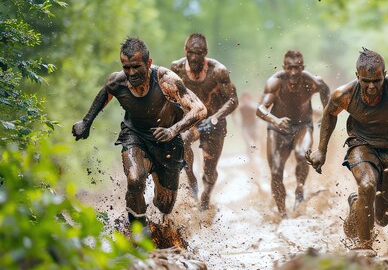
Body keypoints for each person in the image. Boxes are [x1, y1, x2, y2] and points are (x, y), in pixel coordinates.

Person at [306, 48, 388, 251]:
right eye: (365, 81)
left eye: (376, 81)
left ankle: (356, 203)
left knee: (382, 217)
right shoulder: (344, 94)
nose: (371, 86)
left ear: (384, 75)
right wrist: (321, 150)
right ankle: (365, 247)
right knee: (367, 185)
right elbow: (330, 114)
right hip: (361, 145)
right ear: (357, 76)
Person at [72, 37, 207, 232]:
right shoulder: (117, 81)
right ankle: (138, 233)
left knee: (164, 206)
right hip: (135, 135)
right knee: (135, 180)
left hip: (167, 141)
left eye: (136, 67)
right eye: (126, 67)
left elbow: (200, 109)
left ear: (148, 63)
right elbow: (106, 93)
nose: (131, 73)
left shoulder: (166, 81)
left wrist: (173, 130)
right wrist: (86, 121)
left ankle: (157, 209)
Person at [257, 50, 330, 217]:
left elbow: (327, 94)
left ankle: (300, 189)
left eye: (297, 68)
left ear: (303, 68)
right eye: (290, 68)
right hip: (278, 128)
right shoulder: (274, 83)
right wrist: (275, 120)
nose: (294, 73)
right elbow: (260, 109)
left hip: (303, 126)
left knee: (303, 154)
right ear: (284, 68)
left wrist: (326, 116)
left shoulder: (313, 82)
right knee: (276, 170)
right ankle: (282, 212)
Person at [170, 33, 238, 210]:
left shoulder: (218, 71)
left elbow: (233, 100)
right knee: (183, 141)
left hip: (215, 121)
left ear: (206, 52)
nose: (194, 57)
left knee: (209, 170)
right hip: (192, 120)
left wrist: (215, 117)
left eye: (199, 53)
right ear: (185, 50)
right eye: (191, 52)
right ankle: (190, 178)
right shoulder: (176, 69)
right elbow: (169, 97)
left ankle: (205, 199)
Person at [236, 92, 260, 158]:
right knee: (249, 143)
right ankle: (251, 159)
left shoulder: (253, 105)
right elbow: (235, 113)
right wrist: (237, 123)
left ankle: (255, 157)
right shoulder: (241, 106)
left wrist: (258, 121)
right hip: (245, 127)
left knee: (255, 141)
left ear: (249, 98)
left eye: (246, 98)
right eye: (244, 98)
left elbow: (259, 113)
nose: (245, 100)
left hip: (253, 126)